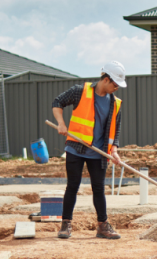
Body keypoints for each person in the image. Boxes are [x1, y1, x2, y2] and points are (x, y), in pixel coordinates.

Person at [51, 60, 127, 240]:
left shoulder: (115, 103)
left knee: (99, 189)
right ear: (106, 79)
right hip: (76, 148)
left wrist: (114, 150)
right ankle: (66, 225)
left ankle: (102, 226)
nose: (117, 88)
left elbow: (115, 131)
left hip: (99, 153)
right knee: (73, 186)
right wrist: (61, 124)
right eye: (115, 84)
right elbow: (57, 102)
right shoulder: (80, 91)